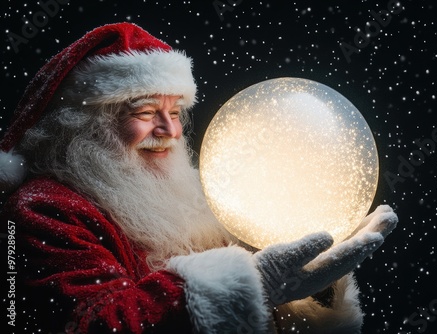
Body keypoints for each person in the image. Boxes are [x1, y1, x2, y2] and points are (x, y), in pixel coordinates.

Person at [0, 22, 398, 333]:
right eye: (145, 112)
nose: (170, 131)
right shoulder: (41, 211)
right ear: (84, 126)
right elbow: (95, 324)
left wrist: (310, 291)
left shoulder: (186, 199)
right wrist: (256, 282)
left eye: (175, 113)